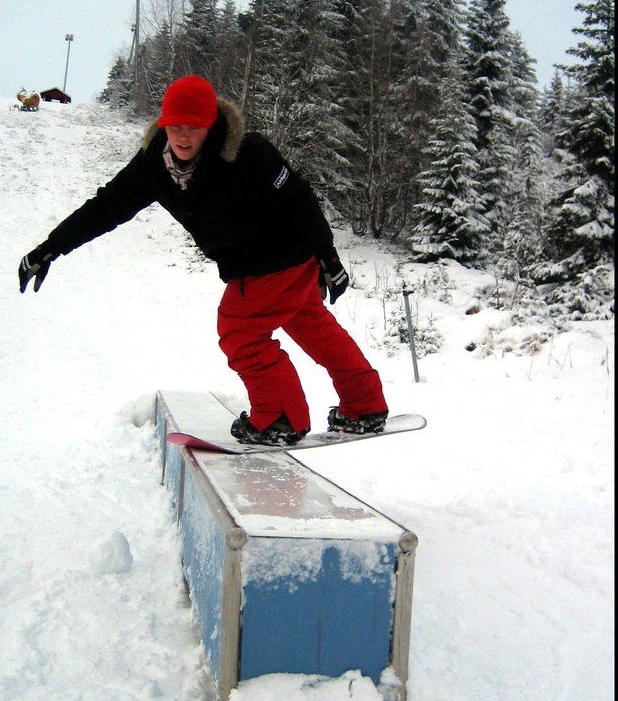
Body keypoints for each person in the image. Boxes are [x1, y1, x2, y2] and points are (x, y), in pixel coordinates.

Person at [19, 75, 388, 446]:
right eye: (175, 126)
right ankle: (364, 403)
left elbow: (299, 198)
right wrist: (51, 247)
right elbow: (107, 206)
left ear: (209, 126)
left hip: (280, 258)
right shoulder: (154, 165)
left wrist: (328, 255)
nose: (182, 136)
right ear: (163, 125)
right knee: (311, 325)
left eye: (193, 128)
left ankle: (279, 418)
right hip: (259, 267)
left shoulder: (248, 153)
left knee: (239, 330)